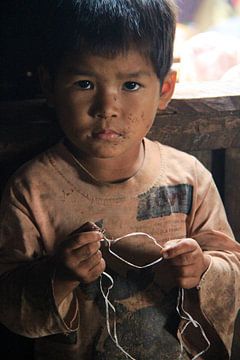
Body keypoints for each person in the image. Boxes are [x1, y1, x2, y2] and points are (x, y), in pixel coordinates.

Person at [0, 1, 239, 359]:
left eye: (130, 84)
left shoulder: (189, 179)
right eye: (84, 83)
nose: (107, 107)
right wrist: (60, 276)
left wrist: (203, 268)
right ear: (49, 85)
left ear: (165, 89)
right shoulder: (33, 190)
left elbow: (232, 269)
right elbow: (7, 302)